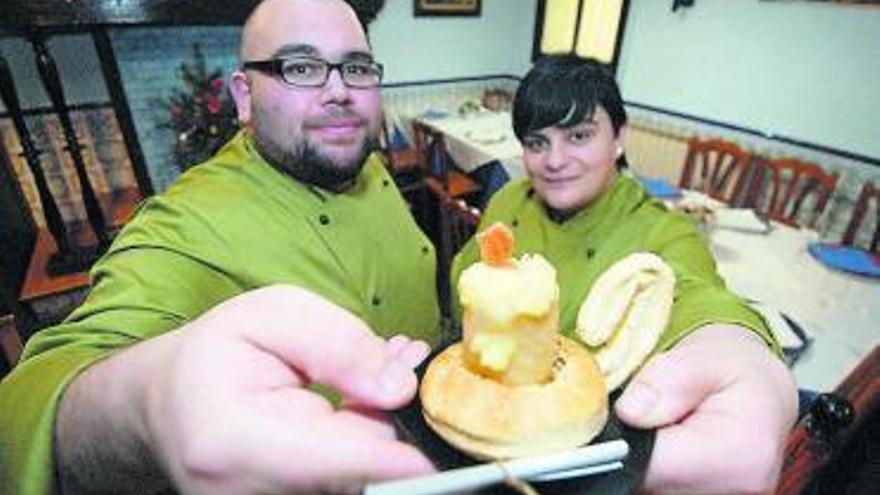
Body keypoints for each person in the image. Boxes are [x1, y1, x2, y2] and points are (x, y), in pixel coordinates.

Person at [0, 0, 439, 493]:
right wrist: (150, 406)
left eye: (356, 68)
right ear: (244, 95)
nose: (340, 91)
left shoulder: (357, 159)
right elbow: (30, 401)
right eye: (300, 67)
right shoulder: (186, 219)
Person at [451, 54, 799, 494]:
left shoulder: (662, 229)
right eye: (537, 142)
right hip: (481, 430)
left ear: (619, 137)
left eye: (579, 136)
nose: (554, 160)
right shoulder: (506, 203)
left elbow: (694, 293)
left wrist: (741, 352)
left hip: (571, 465)